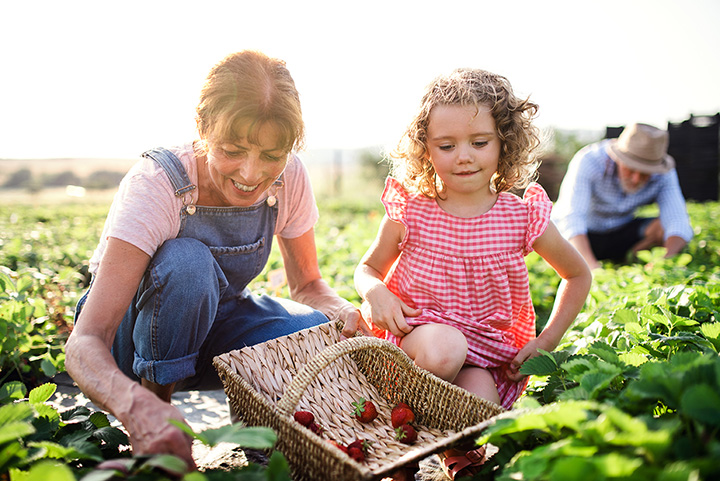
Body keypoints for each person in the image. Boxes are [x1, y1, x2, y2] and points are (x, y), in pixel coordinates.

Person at [64, 50, 362, 470]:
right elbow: (85, 340)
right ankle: (156, 420)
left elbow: (309, 287)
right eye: (233, 149)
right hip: (133, 343)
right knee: (187, 265)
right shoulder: (160, 183)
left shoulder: (289, 177)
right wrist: (136, 408)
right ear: (203, 128)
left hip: (215, 333)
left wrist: (342, 311)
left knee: (311, 331)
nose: (251, 174)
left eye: (271, 156)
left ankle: (258, 444)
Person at [354, 68, 592, 480]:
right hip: (416, 339)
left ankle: (457, 454)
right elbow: (369, 267)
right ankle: (398, 440)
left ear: (505, 143)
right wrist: (375, 291)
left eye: (479, 143)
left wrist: (546, 342)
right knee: (446, 347)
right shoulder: (413, 209)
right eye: (446, 145)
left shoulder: (519, 217)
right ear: (425, 150)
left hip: (482, 350)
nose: (464, 156)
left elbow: (577, 275)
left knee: (481, 410)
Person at [551, 123, 694, 270]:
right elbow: (571, 218)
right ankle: (590, 260)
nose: (636, 179)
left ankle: (629, 258)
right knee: (563, 240)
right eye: (631, 169)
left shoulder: (663, 172)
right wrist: (592, 269)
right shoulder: (589, 161)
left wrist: (663, 262)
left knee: (661, 229)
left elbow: (678, 222)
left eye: (645, 172)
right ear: (618, 158)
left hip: (622, 231)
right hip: (584, 235)